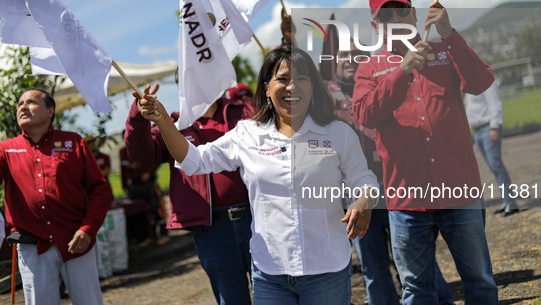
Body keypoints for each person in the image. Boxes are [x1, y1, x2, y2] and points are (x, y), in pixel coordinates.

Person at [136, 45, 379, 304]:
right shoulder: (247, 134)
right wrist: (162, 119)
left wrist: (364, 199)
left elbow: (364, 179)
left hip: (326, 270)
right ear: (266, 88)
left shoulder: (337, 133)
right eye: (282, 79)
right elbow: (194, 160)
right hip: (270, 275)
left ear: (312, 87)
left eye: (301, 80)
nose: (291, 87)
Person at [353, 0, 498, 304]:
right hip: (407, 201)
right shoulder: (369, 68)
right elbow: (365, 114)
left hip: (459, 191)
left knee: (480, 281)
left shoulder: (446, 52)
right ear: (376, 25)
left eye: (401, 10)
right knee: (417, 290)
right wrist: (401, 72)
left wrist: (449, 33)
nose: (396, 18)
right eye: (386, 15)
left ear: (415, 14)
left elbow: (481, 82)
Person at [329, 40, 453, 305]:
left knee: (418, 260)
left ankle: (442, 301)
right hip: (355, 196)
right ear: (333, 60)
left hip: (395, 185)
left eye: (356, 54)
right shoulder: (325, 96)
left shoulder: (381, 80)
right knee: (373, 268)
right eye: (343, 55)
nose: (350, 59)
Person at [125, 93, 254, 304]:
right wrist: (138, 117)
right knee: (231, 298)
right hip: (213, 230)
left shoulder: (246, 112)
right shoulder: (173, 123)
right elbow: (141, 154)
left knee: (273, 293)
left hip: (257, 220)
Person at [0, 88, 112, 305]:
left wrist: (87, 229)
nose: (22, 107)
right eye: (19, 104)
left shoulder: (74, 142)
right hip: (32, 245)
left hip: (77, 242)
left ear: (50, 110)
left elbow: (100, 191)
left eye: (31, 102)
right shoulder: (6, 149)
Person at [465, 81, 519, 217]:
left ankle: (510, 202)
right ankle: (506, 200)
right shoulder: (468, 84)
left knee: (496, 165)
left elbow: (495, 104)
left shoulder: (486, 81)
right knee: (492, 167)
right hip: (477, 131)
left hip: (488, 128)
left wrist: (494, 127)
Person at [120, 131, 164, 237]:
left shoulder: (145, 145)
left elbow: (157, 159)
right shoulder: (123, 151)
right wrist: (124, 183)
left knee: (156, 207)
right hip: (135, 184)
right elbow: (123, 168)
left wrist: (148, 173)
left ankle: (163, 233)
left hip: (148, 183)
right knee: (141, 210)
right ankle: (149, 236)